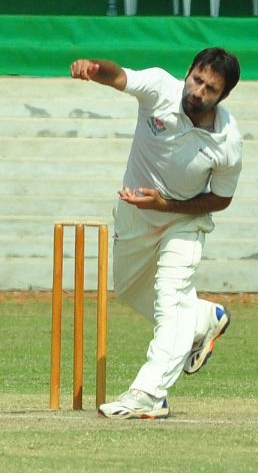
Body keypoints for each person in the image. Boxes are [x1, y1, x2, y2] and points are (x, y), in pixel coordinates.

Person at [70, 47, 242, 419]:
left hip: (183, 221)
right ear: (189, 72)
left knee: (170, 301)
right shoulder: (162, 89)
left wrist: (166, 205)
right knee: (130, 291)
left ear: (222, 96)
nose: (198, 91)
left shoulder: (228, 141)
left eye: (210, 89)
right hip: (135, 214)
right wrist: (95, 68)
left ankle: (149, 393)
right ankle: (203, 319)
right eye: (197, 79)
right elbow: (119, 76)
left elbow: (221, 200)